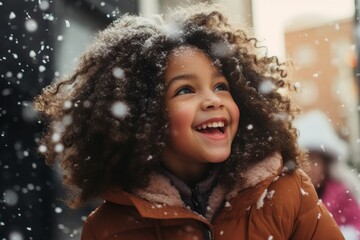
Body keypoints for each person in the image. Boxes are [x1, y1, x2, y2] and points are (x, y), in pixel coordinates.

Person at [34, 3, 344, 239]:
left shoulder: (285, 193)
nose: (213, 99)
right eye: (186, 89)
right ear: (145, 116)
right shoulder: (108, 228)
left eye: (221, 86)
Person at [294, 110, 360, 239]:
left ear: (325, 165)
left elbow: (357, 223)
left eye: (315, 161)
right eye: (305, 160)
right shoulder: (294, 197)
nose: (310, 167)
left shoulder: (340, 193)